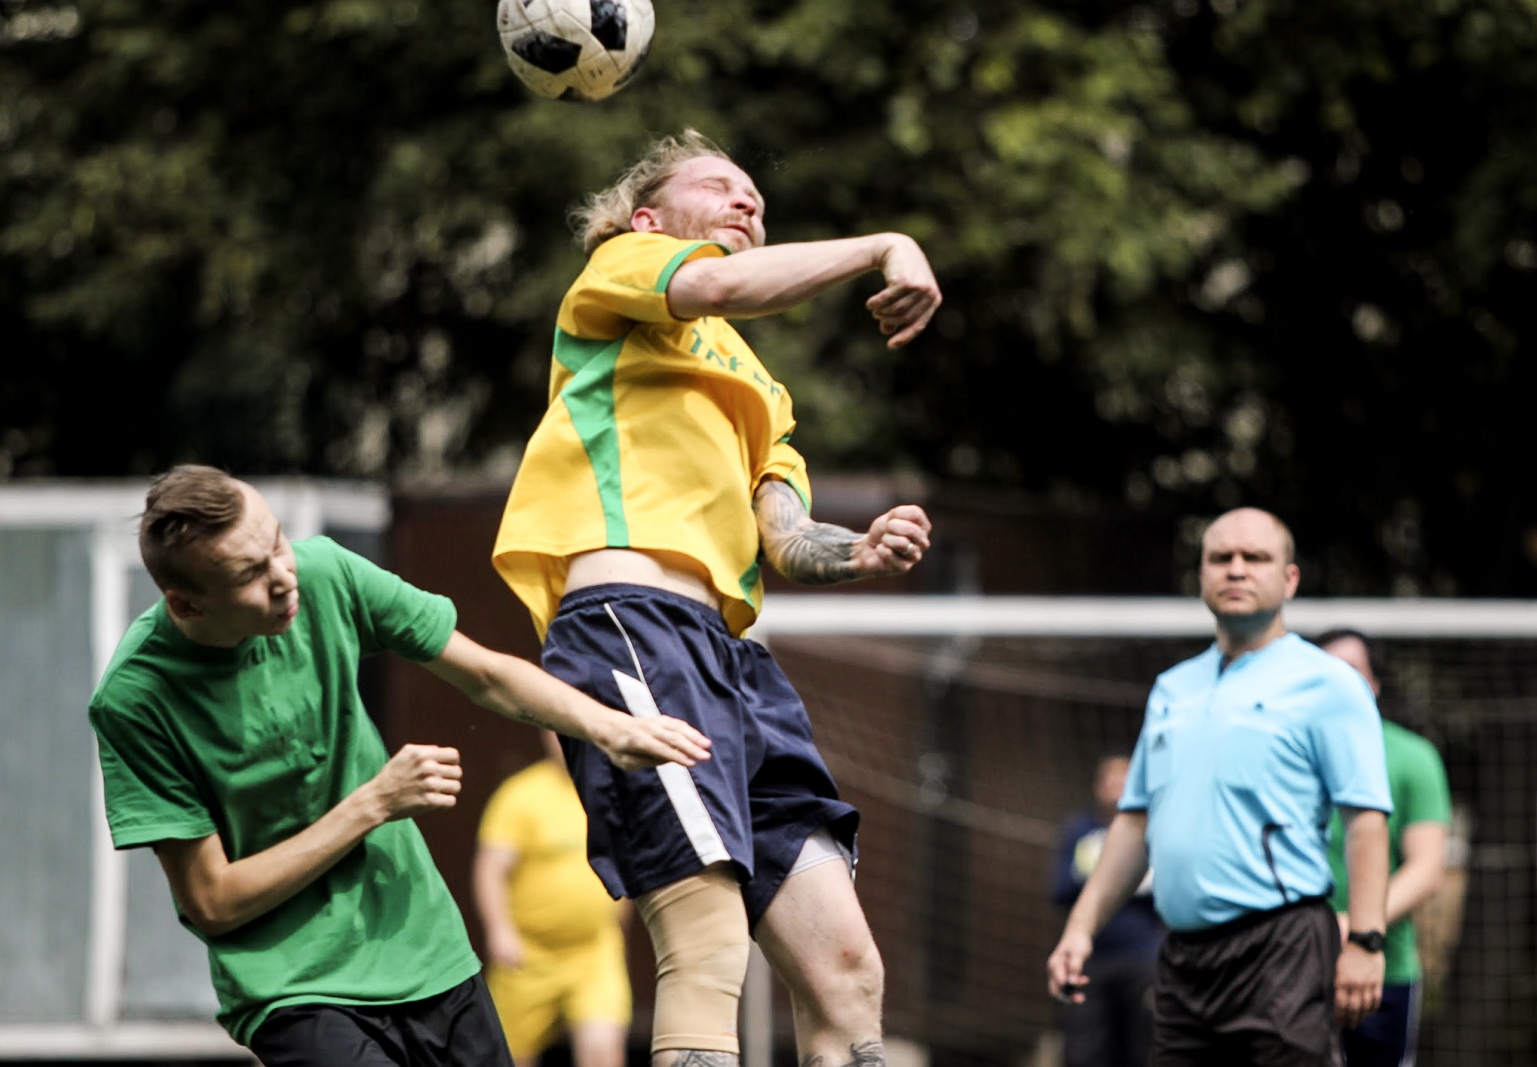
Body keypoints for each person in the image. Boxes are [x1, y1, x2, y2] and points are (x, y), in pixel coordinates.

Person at [492, 128, 941, 1067]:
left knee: (849, 970)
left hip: (734, 662)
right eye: (720, 186)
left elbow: (785, 535)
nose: (749, 202)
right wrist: (881, 245)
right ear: (649, 217)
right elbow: (725, 285)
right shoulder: (622, 271)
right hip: (631, 629)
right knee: (707, 939)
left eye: (756, 194)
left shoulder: (762, 386)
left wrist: (862, 552)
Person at [88, 464, 711, 1067]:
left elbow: (488, 676)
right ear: (188, 605)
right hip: (293, 986)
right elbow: (213, 901)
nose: (284, 576)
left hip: (425, 950)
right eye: (252, 573)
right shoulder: (136, 700)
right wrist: (375, 803)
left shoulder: (325, 571)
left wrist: (611, 728)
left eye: (278, 542)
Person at [1046, 507, 1394, 1066]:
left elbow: (1366, 824)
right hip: (1182, 956)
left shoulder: (1329, 685)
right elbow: (1135, 825)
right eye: (1220, 558)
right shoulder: (1171, 689)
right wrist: (1080, 929)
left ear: (1289, 579)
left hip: (1282, 947)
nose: (1236, 569)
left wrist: (1366, 942)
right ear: (1202, 574)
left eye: (1254, 557)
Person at [1314, 629, 1452, 1067]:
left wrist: (1355, 929)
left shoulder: (1412, 757)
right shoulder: (1286, 755)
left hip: (1382, 968)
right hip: (1293, 966)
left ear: (1374, 684)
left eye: (1352, 672)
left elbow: (1427, 869)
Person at [475, 729, 633, 1067]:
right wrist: (500, 930)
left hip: (593, 949)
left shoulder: (606, 791)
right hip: (529, 952)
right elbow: (491, 870)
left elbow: (625, 861)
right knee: (512, 1055)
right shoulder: (521, 795)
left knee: (603, 1048)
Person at [1050, 755, 1162, 1067]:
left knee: (1141, 1045)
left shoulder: (1155, 831)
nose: (1116, 790)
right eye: (1110, 782)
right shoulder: (1079, 829)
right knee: (1086, 1048)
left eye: (1123, 783)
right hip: (1091, 961)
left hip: (1142, 959)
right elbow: (1058, 890)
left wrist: (1134, 882)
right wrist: (1094, 881)